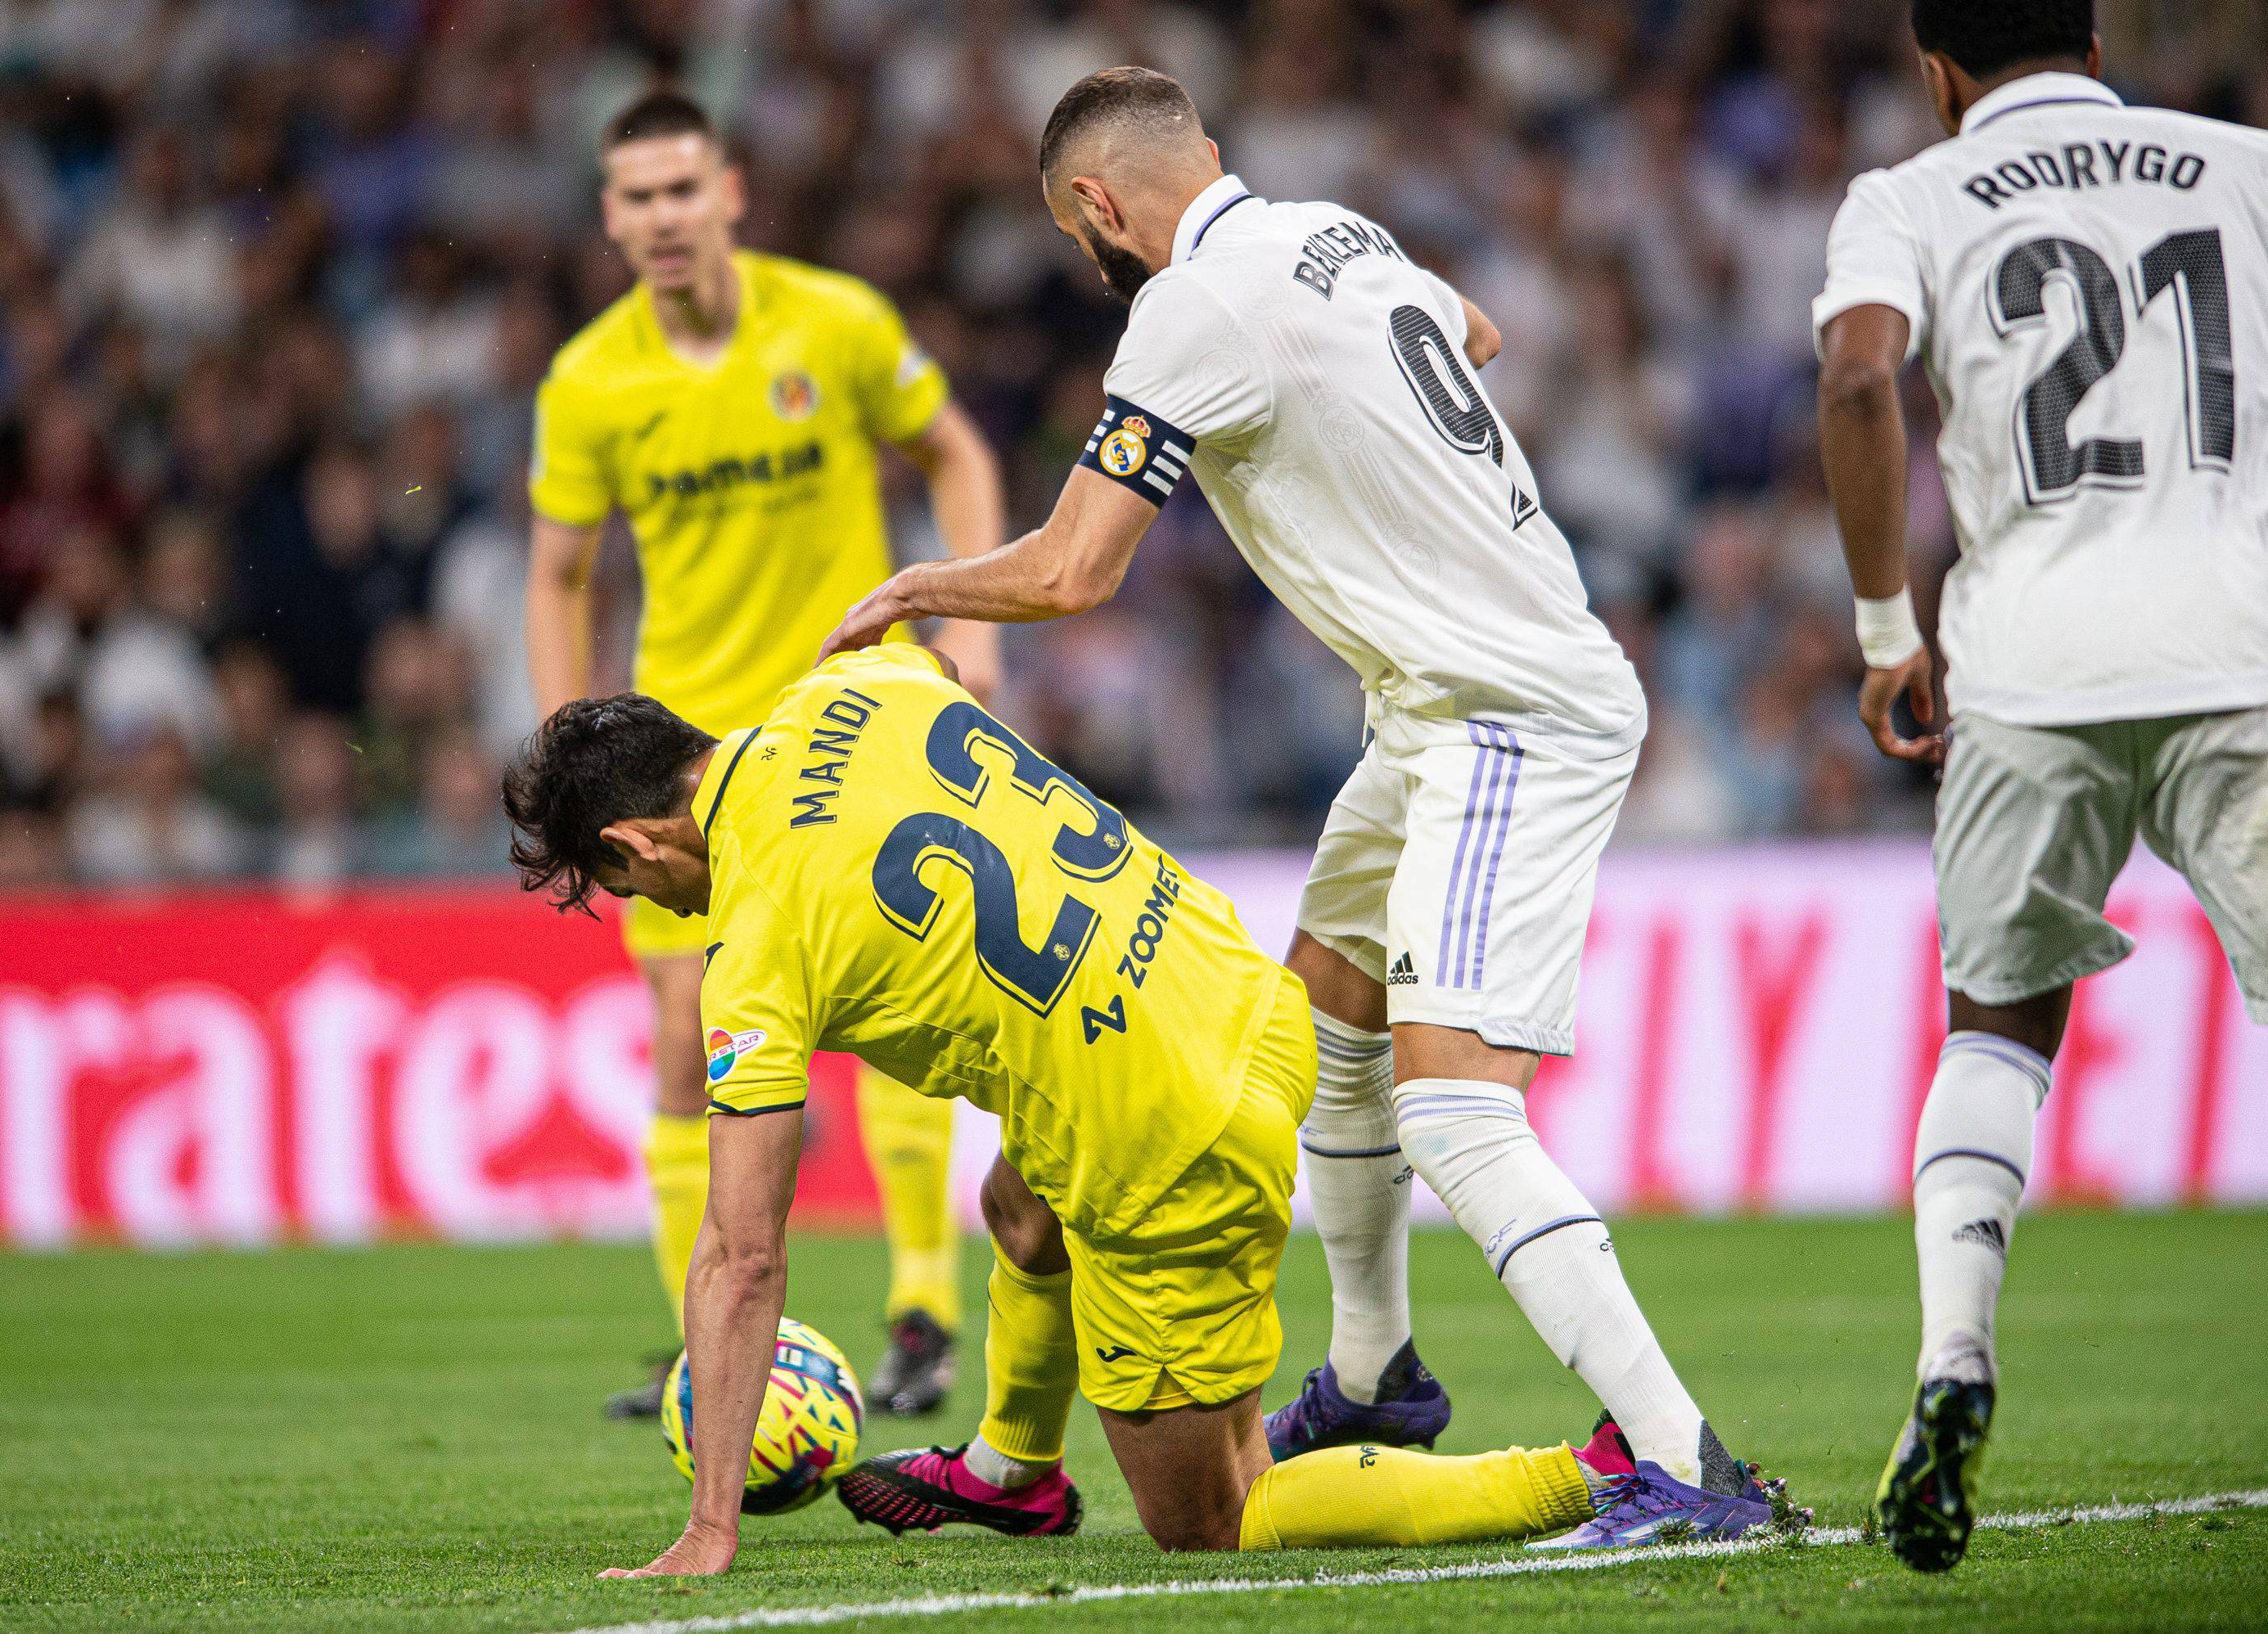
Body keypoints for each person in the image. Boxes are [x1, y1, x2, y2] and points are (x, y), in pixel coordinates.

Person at [822, 67, 1781, 1546]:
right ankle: (1373, 1369)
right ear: (1207, 155)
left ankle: (1685, 1462)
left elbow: (1077, 571)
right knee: (1328, 1005)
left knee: (1455, 1107)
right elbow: (1476, 332)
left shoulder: (1187, 310)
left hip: (1500, 712)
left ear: (1094, 209)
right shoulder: (1333, 232)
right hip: (1433, 705)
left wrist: (917, 587)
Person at [502, 645, 1696, 1576]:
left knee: (1216, 1516)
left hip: (1168, 1133)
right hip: (1236, 990)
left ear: (635, 839)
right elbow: (941, 669)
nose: (649, 901)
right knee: (1021, 1205)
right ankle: (1012, 1468)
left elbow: (742, 1249)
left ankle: (1590, 1474)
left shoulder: (753, 944)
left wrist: (713, 1520)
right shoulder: (850, 687)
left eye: (621, 884)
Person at [1813, 0, 2268, 1573]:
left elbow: (1863, 382)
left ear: (1937, 69)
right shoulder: (2243, 166)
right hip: (2243, 651)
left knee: (1995, 1025)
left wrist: (1888, 633)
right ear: (2092, 36)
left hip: (2029, 666)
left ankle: (1951, 1361)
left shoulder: (1912, 196)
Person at [525, 92, 1008, 1417]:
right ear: (611, 219)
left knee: (899, 1003)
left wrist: (968, 619)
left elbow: (953, 451)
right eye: (637, 197)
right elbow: (558, 576)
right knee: (688, 1036)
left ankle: (921, 1310)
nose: (664, 217)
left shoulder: (836, 322)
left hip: (848, 722)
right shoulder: (589, 383)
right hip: (683, 766)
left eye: (684, 189)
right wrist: (571, 757)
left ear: (731, 192)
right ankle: (703, 1342)